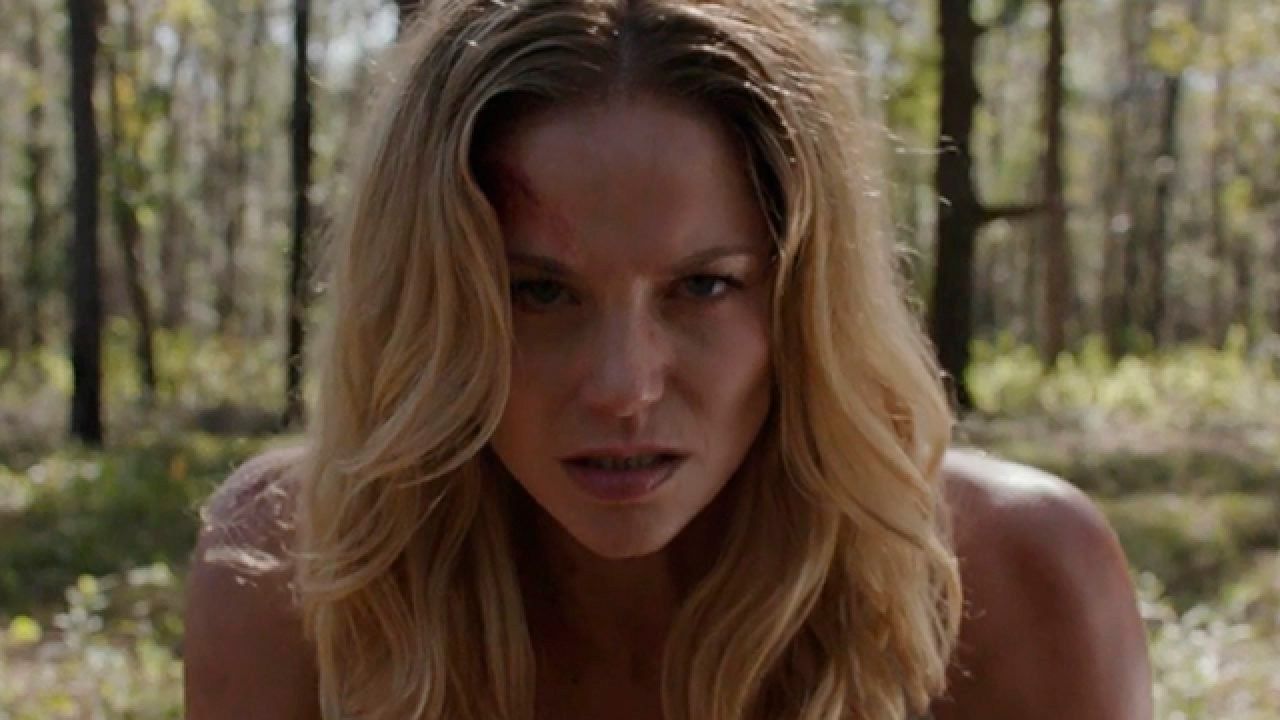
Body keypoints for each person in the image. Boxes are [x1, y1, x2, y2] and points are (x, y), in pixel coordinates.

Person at [184, 1, 1152, 718]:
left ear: (806, 300)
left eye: (704, 286)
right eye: (538, 293)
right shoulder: (297, 570)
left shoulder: (1013, 576)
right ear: (429, 308)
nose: (623, 387)